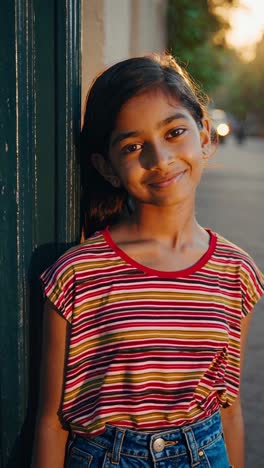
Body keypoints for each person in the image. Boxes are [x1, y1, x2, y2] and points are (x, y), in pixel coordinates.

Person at [32, 53, 264, 468]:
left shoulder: (237, 272)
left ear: (206, 136)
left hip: (204, 454)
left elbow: (229, 408)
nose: (159, 159)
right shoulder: (77, 274)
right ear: (107, 167)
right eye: (133, 145)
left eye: (175, 132)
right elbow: (51, 422)